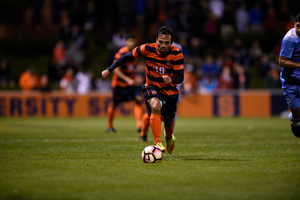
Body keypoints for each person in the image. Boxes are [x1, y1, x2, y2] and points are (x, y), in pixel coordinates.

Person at [102, 26, 184, 154]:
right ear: (156, 40)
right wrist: (109, 69)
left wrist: (172, 80)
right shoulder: (146, 48)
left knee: (168, 121)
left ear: (171, 43)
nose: (163, 45)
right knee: (155, 106)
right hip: (152, 86)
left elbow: (180, 77)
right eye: (160, 42)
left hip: (169, 91)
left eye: (166, 43)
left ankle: (168, 137)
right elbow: (126, 57)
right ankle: (157, 143)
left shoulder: (177, 53)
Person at [106, 33, 144, 133]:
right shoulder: (121, 53)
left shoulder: (136, 53)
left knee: (139, 100)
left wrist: (138, 76)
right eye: (130, 41)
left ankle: (139, 125)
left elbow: (133, 68)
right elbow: (116, 70)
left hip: (131, 82)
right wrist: (127, 79)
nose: (132, 43)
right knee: (114, 104)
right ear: (126, 42)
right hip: (119, 84)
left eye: (133, 41)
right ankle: (109, 126)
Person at [278, 13, 300, 138]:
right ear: (294, 24)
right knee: (297, 116)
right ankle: (294, 121)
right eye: (298, 26)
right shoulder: (290, 39)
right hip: (290, 81)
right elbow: (282, 61)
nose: (299, 29)